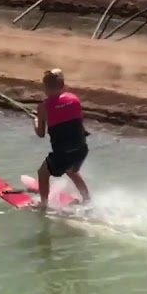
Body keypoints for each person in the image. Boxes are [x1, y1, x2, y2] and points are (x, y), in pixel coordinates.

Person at [33, 68, 92, 211]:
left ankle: (43, 205)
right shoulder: (74, 99)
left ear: (45, 88)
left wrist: (35, 120)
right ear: (63, 85)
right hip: (81, 149)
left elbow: (41, 133)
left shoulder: (43, 107)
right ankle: (87, 200)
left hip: (63, 152)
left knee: (42, 173)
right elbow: (76, 122)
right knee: (71, 170)